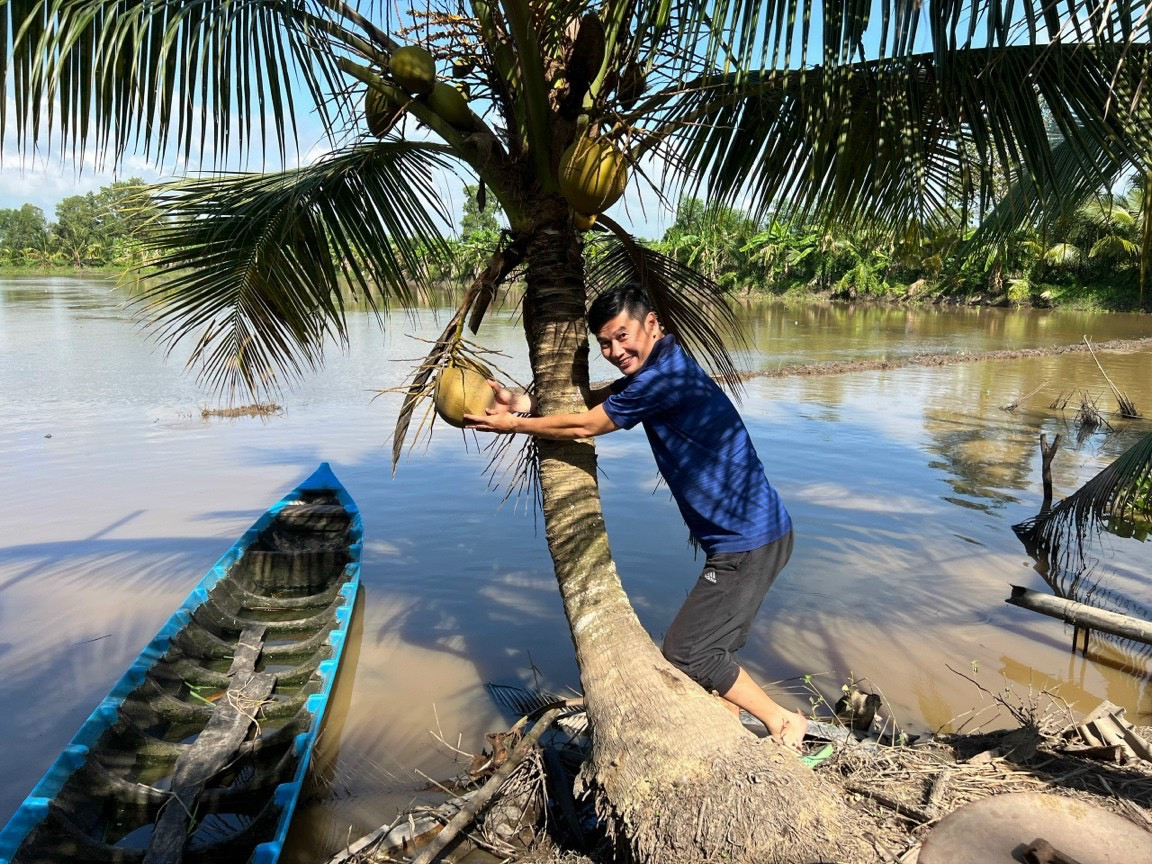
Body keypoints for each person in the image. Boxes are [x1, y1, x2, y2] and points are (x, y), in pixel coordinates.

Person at [463, 283, 806, 749]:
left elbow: (587, 423)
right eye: (604, 343)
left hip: (747, 542)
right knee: (714, 643)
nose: (614, 350)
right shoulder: (664, 368)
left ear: (652, 324)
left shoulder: (664, 378)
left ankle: (783, 721)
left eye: (622, 335)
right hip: (755, 534)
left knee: (688, 650)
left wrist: (515, 424)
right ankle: (727, 717)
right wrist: (524, 402)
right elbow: (601, 398)